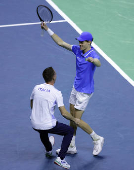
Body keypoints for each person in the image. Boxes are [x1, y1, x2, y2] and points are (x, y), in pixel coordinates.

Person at [41, 23, 104, 156]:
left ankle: (97, 138)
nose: (79, 44)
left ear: (89, 42)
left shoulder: (93, 54)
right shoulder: (77, 50)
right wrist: (47, 29)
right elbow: (61, 43)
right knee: (71, 117)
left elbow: (99, 63)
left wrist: (93, 60)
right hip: (76, 88)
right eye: (79, 42)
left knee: (77, 120)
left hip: (84, 92)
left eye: (82, 42)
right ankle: (72, 145)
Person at [30, 67, 80, 169]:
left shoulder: (36, 88)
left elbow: (32, 102)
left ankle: (48, 150)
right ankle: (61, 159)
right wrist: (75, 120)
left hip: (34, 123)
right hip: (48, 124)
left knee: (42, 131)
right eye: (55, 74)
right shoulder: (56, 92)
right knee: (69, 131)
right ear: (54, 77)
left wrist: (38, 114)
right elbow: (64, 113)